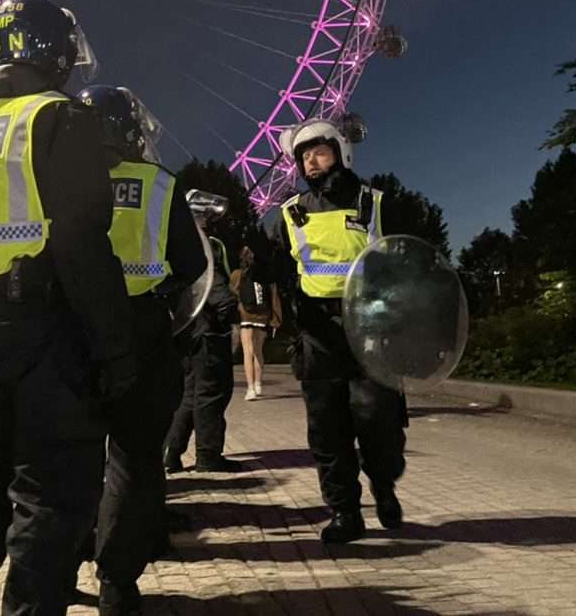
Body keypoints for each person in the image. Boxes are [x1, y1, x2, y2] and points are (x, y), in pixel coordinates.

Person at [0, 0, 136, 616]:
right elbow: (81, 244)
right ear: (57, 54)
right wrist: (116, 349)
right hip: (49, 332)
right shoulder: (63, 119)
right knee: (48, 498)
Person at [76, 85, 207, 616]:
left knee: (69, 461)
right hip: (143, 333)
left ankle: (58, 569)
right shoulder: (158, 185)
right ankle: (117, 583)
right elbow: (193, 266)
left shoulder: (57, 182)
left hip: (74, 333)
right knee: (134, 462)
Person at [267, 119, 405, 544]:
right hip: (317, 333)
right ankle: (345, 511)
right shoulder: (288, 215)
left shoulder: (378, 203)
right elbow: (279, 272)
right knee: (327, 430)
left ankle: (384, 485)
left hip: (370, 328)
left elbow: (407, 264)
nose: (311, 161)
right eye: (303, 156)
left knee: (379, 421)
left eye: (319, 152)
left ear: (341, 153)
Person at [163, 191, 241, 474]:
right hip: (208, 327)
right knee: (212, 393)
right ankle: (208, 456)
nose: (210, 220)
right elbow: (211, 281)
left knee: (190, 394)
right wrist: (228, 311)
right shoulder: (202, 242)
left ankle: (171, 454)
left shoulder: (176, 239)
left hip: (187, 328)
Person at [234, 245, 281, 400]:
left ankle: (250, 388)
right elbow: (273, 296)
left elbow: (232, 294)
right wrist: (275, 319)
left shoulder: (238, 274)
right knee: (258, 351)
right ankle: (259, 383)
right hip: (262, 315)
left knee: (247, 352)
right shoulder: (266, 275)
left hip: (245, 315)